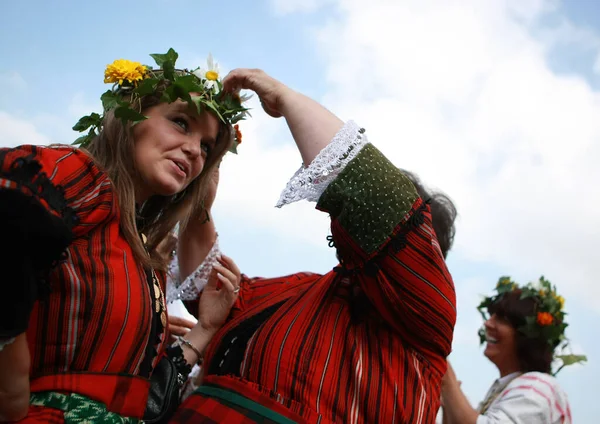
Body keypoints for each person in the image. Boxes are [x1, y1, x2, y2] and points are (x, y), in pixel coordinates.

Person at [168, 68, 459, 423]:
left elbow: (376, 197)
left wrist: (283, 96)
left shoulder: (428, 312)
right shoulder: (304, 287)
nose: (350, 220)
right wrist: (200, 203)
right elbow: (213, 294)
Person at [0, 49, 245, 422]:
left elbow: (142, 403)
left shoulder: (147, 261)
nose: (195, 150)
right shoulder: (82, 177)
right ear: (131, 115)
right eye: (181, 122)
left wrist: (206, 327)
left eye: (207, 147)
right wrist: (11, 389)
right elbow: (8, 210)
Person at [440, 276, 586, 424]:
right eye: (492, 316)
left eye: (502, 319)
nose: (488, 323)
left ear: (526, 336)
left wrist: (443, 366)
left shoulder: (538, 386)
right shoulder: (505, 388)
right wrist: (448, 400)